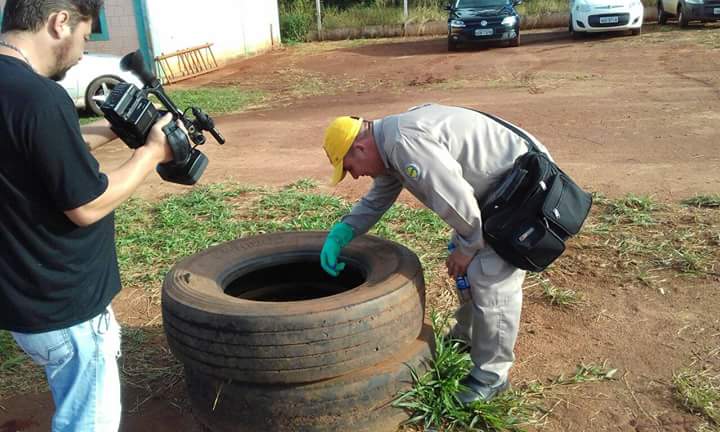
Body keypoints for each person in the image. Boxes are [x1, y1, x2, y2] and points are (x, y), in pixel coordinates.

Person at [0, 1, 178, 430]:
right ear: (60, 21)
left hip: (22, 296)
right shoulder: (41, 98)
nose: (82, 51)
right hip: (66, 307)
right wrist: (152, 152)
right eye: (85, 35)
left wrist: (119, 128)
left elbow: (42, 147)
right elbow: (86, 205)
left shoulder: (13, 91)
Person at [319, 103, 554, 403]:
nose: (353, 176)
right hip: (498, 192)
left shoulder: (405, 143)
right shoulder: (389, 143)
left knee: (489, 277)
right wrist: (343, 232)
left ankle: (492, 378)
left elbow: (456, 200)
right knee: (467, 263)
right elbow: (378, 199)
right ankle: (467, 338)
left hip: (527, 190)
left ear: (361, 148)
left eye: (349, 167)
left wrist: (469, 247)